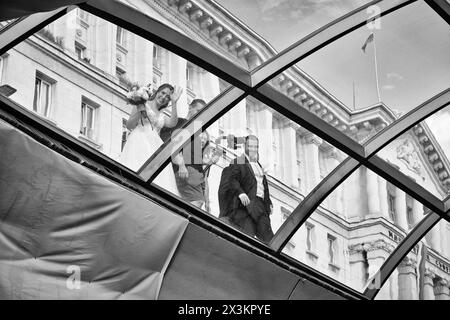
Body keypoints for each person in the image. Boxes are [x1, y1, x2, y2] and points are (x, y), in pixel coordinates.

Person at [119, 83, 182, 195]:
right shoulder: (143, 102)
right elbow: (129, 125)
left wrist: (174, 103)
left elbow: (173, 123)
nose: (164, 97)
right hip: (139, 141)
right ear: (157, 91)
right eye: (163, 93)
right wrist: (140, 107)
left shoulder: (162, 115)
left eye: (168, 97)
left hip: (155, 146)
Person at [159, 99, 218, 208]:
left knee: (194, 204)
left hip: (191, 173)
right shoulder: (178, 123)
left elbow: (195, 158)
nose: (200, 114)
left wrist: (208, 161)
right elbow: (170, 147)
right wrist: (181, 165)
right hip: (179, 170)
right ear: (190, 107)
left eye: (203, 112)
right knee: (196, 202)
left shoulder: (198, 132)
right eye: (198, 110)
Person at [218, 135, 274, 243]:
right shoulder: (238, 161)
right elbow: (232, 179)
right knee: (250, 236)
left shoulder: (259, 165)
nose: (253, 149)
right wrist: (241, 193)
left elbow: (263, 185)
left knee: (268, 239)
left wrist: (269, 202)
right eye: (250, 146)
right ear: (245, 146)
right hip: (247, 203)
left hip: (261, 205)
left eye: (255, 147)